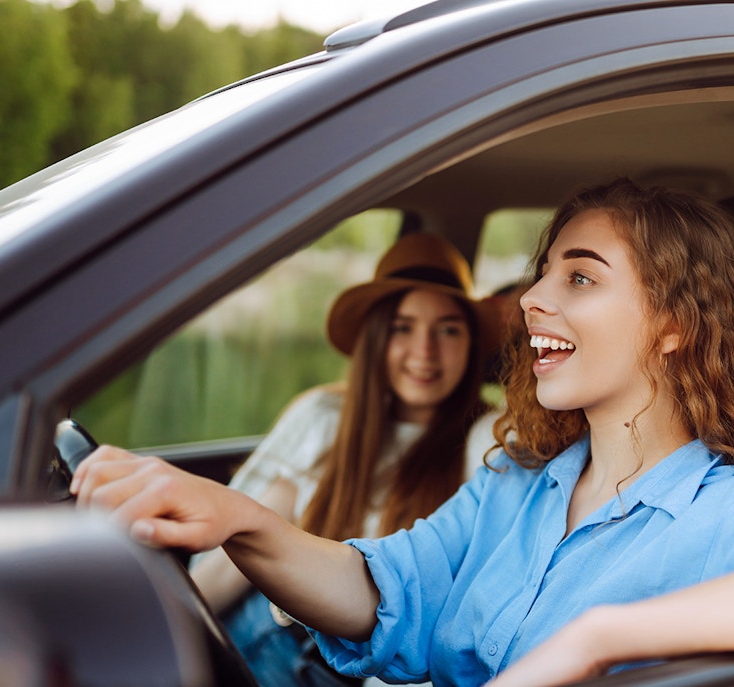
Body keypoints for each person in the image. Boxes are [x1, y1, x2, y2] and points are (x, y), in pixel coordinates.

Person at [72, 179, 734, 687]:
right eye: (543, 274)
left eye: (580, 278)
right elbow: (386, 591)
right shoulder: (520, 483)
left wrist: (601, 636)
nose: (533, 298)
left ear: (674, 324)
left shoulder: (726, 513)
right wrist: (236, 518)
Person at [188, 232, 502, 686]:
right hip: (256, 634)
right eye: (403, 327)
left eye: (448, 329)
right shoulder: (323, 418)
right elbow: (236, 553)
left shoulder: (484, 440)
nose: (425, 351)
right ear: (376, 337)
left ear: (472, 344)